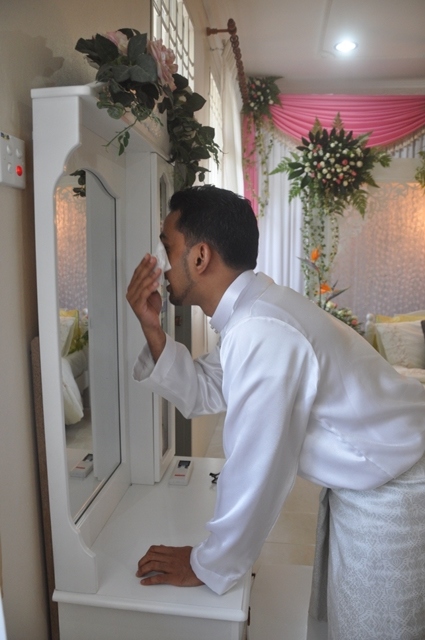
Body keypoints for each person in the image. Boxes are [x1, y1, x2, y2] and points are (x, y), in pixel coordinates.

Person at [126, 185, 425, 640]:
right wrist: (152, 329)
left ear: (200, 257)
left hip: (397, 486)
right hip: (381, 474)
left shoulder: (261, 328)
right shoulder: (254, 312)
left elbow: (257, 467)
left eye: (168, 248)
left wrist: (208, 563)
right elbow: (207, 388)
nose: (162, 266)